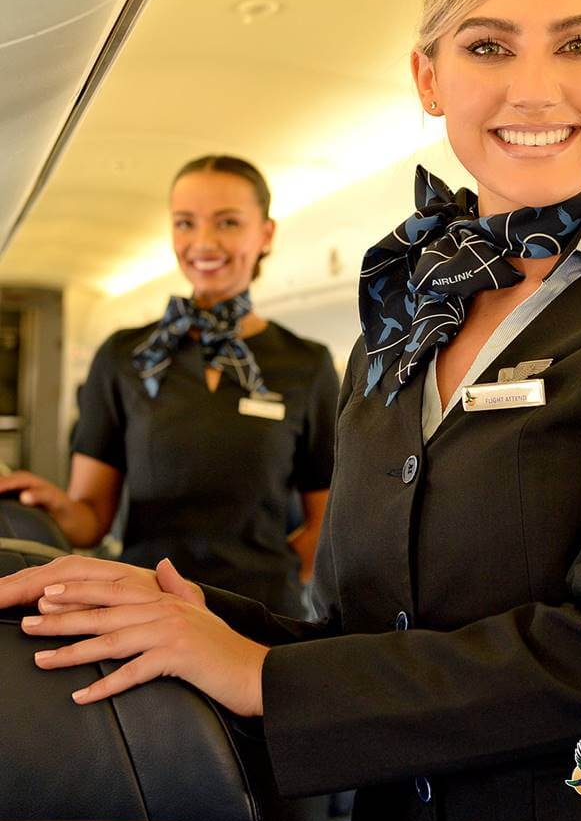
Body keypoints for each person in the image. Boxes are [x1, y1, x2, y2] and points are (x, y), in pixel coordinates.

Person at [1, 0, 581, 821]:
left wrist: (261, 676)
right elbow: (362, 635)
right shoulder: (399, 327)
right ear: (430, 79)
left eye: (579, 43)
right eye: (487, 45)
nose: (533, 87)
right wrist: (179, 612)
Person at [0, 155, 339, 615]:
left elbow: (326, 521)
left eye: (227, 222)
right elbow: (91, 519)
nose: (203, 242)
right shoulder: (126, 356)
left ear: (266, 233)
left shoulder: (307, 364)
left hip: (259, 619)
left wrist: (264, 583)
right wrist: (54, 505)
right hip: (143, 606)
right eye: (185, 223)